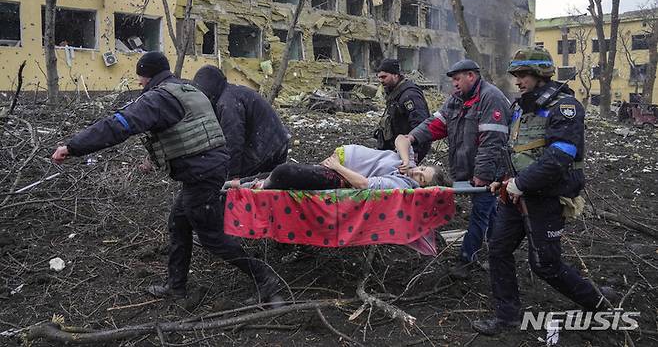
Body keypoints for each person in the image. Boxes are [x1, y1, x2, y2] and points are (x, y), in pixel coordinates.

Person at [51, 52, 281, 304]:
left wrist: (73, 147)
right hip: (207, 168)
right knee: (179, 223)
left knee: (211, 236)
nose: (139, 83)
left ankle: (264, 277)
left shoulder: (158, 98)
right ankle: (176, 287)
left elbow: (118, 125)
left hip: (201, 172)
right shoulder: (185, 87)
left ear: (147, 76)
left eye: (140, 78)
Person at [472, 47, 617, 335]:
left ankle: (599, 305)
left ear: (540, 75)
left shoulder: (565, 108)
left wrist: (520, 183)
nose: (518, 80)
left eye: (523, 74)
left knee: (545, 265)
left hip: (545, 198)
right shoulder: (520, 107)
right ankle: (507, 317)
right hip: (515, 196)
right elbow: (513, 150)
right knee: (498, 249)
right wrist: (501, 178)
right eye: (516, 75)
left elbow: (559, 157)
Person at [401, 58, 511, 279]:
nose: (454, 84)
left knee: (480, 213)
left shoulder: (491, 98)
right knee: (490, 213)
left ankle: (466, 259)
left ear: (471, 75)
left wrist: (482, 175)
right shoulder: (456, 100)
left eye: (458, 79)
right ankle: (499, 250)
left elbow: (492, 142)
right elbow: (436, 124)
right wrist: (411, 137)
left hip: (490, 172)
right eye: (452, 81)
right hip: (468, 170)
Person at [193, 65, 291, 180]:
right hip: (275, 142)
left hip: (266, 147)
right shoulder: (231, 93)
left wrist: (232, 177)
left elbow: (233, 141)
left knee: (238, 183)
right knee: (262, 186)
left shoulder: (227, 103)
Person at [261, 136, 447, 190]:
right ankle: (241, 182)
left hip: (338, 172)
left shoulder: (400, 183)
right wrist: (406, 159)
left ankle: (249, 186)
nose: (417, 172)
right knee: (283, 174)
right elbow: (402, 139)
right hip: (338, 160)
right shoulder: (410, 163)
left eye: (421, 178)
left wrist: (337, 166)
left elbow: (364, 184)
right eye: (422, 169)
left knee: (284, 173)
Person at [374, 58, 431, 163]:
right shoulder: (394, 93)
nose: (381, 80)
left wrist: (415, 151)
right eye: (379, 77)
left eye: (384, 77)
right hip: (396, 149)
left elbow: (420, 124)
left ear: (396, 75)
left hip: (408, 149)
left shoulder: (410, 95)